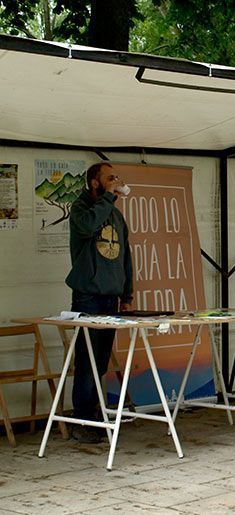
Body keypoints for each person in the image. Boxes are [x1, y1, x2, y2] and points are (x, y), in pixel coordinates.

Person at [65, 163, 133, 443]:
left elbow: (125, 256)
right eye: (109, 178)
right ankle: (82, 418)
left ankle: (93, 415)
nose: (115, 181)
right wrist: (108, 197)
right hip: (88, 296)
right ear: (94, 183)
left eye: (116, 177)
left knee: (101, 359)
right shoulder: (79, 210)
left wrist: (126, 293)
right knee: (87, 359)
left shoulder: (115, 214)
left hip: (110, 296)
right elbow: (90, 226)